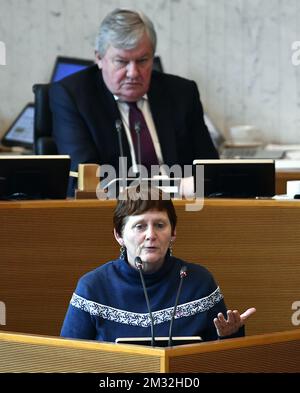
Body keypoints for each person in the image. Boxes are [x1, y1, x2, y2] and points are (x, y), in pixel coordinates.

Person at [49, 9, 219, 195]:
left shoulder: (182, 93)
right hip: (114, 214)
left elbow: (210, 170)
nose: (133, 73)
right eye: (121, 62)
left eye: (142, 61)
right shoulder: (72, 96)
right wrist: (175, 187)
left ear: (153, 57)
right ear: (99, 58)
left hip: (183, 210)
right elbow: (85, 182)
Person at [61, 185, 256, 342]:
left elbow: (220, 360)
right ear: (119, 235)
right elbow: (69, 359)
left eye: (160, 225)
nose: (151, 235)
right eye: (140, 226)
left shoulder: (199, 282)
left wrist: (229, 336)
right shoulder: (93, 287)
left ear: (173, 233)